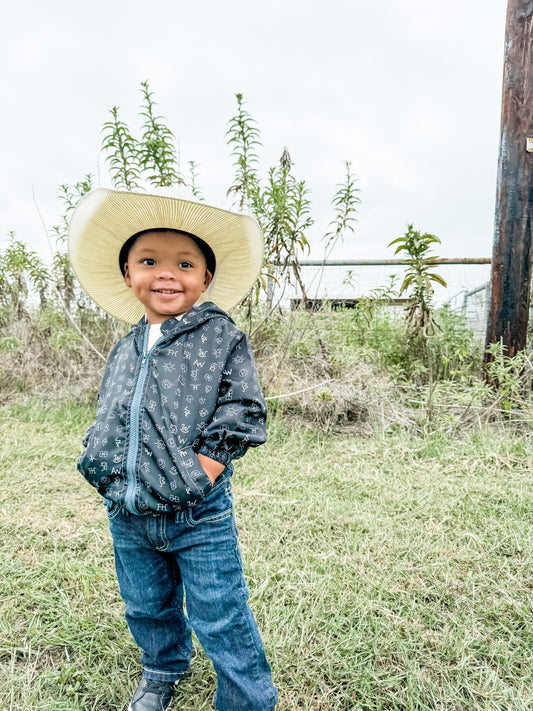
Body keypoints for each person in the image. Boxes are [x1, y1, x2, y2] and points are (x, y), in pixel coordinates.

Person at [68, 187, 278, 711]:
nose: (167, 273)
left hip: (197, 512)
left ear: (205, 279)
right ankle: (162, 670)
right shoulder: (126, 346)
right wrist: (103, 463)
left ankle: (247, 701)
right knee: (145, 606)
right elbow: (115, 412)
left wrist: (201, 470)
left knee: (220, 611)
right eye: (149, 261)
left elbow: (243, 410)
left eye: (185, 263)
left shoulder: (219, 336)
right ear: (127, 277)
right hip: (128, 510)